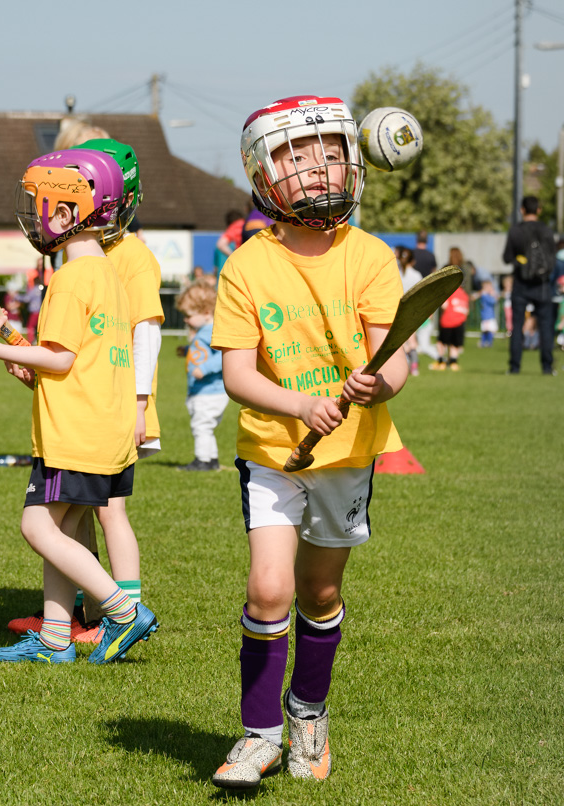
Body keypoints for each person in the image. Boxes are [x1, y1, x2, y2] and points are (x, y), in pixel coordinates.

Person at [209, 95, 408, 788]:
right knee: (267, 588)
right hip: (270, 451)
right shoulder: (245, 267)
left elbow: (396, 361)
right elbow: (236, 374)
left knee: (317, 596)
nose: (317, 167)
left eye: (329, 151)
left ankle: (308, 712)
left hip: (346, 456)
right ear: (263, 174)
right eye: (296, 155)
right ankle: (258, 734)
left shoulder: (373, 258)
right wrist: (299, 403)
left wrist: (375, 385)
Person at [0, 147, 158, 664]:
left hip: (73, 436)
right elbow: (82, 360)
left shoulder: (68, 279)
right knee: (61, 531)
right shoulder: (107, 273)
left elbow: (59, 360)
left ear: (66, 212)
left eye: (40, 203)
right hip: (103, 430)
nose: (34, 214)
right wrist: (26, 357)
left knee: (36, 527)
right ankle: (57, 637)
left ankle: (124, 612)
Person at [175, 283, 228, 471]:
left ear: (206, 312)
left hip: (210, 390)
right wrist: (188, 350)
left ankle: (202, 460)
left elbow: (224, 356)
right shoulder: (203, 332)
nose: (186, 320)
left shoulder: (213, 332)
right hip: (201, 390)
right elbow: (203, 351)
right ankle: (211, 459)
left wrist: (204, 368)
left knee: (201, 425)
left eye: (189, 316)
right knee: (204, 425)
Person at [503, 196, 557, 374]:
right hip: (542, 284)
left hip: (521, 283)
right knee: (546, 326)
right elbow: (552, 259)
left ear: (522, 209)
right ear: (539, 210)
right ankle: (547, 367)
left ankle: (514, 367)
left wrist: (521, 262)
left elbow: (506, 257)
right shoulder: (547, 231)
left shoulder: (516, 231)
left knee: (517, 325)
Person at [431, 274, 470, 371]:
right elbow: (466, 311)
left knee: (441, 343)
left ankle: (441, 362)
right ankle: (453, 363)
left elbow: (445, 305)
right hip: (459, 323)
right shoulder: (465, 295)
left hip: (447, 322)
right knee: (454, 344)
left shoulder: (450, 292)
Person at [396, 247, 422, 374]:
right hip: (412, 311)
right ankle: (414, 367)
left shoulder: (395, 272)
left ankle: (404, 365)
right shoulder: (416, 275)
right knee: (412, 340)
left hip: (396, 311)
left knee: (400, 341)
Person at [478, 278, 498, 348]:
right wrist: (493, 295)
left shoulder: (485, 295)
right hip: (487, 316)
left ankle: (487, 342)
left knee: (490, 330)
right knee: (487, 330)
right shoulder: (485, 295)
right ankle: (485, 342)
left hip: (489, 316)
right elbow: (493, 301)